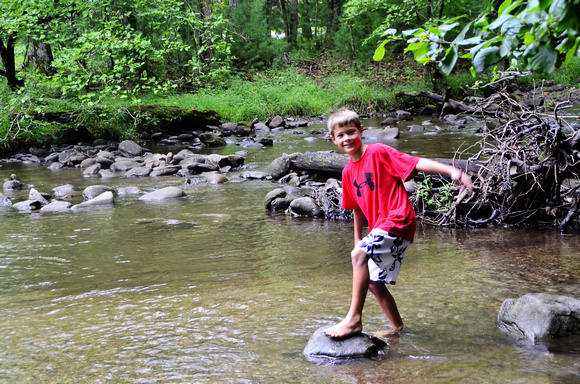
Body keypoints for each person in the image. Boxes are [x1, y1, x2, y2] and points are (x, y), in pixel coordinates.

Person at [324, 108, 473, 339]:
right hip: (380, 227)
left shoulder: (378, 152)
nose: (347, 139)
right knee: (372, 281)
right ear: (333, 140)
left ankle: (353, 320)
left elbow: (415, 162)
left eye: (351, 132)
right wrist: (357, 240)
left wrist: (451, 170)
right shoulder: (346, 172)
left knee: (359, 257)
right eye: (341, 135)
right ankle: (398, 329)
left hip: (398, 218)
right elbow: (355, 208)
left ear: (361, 131)